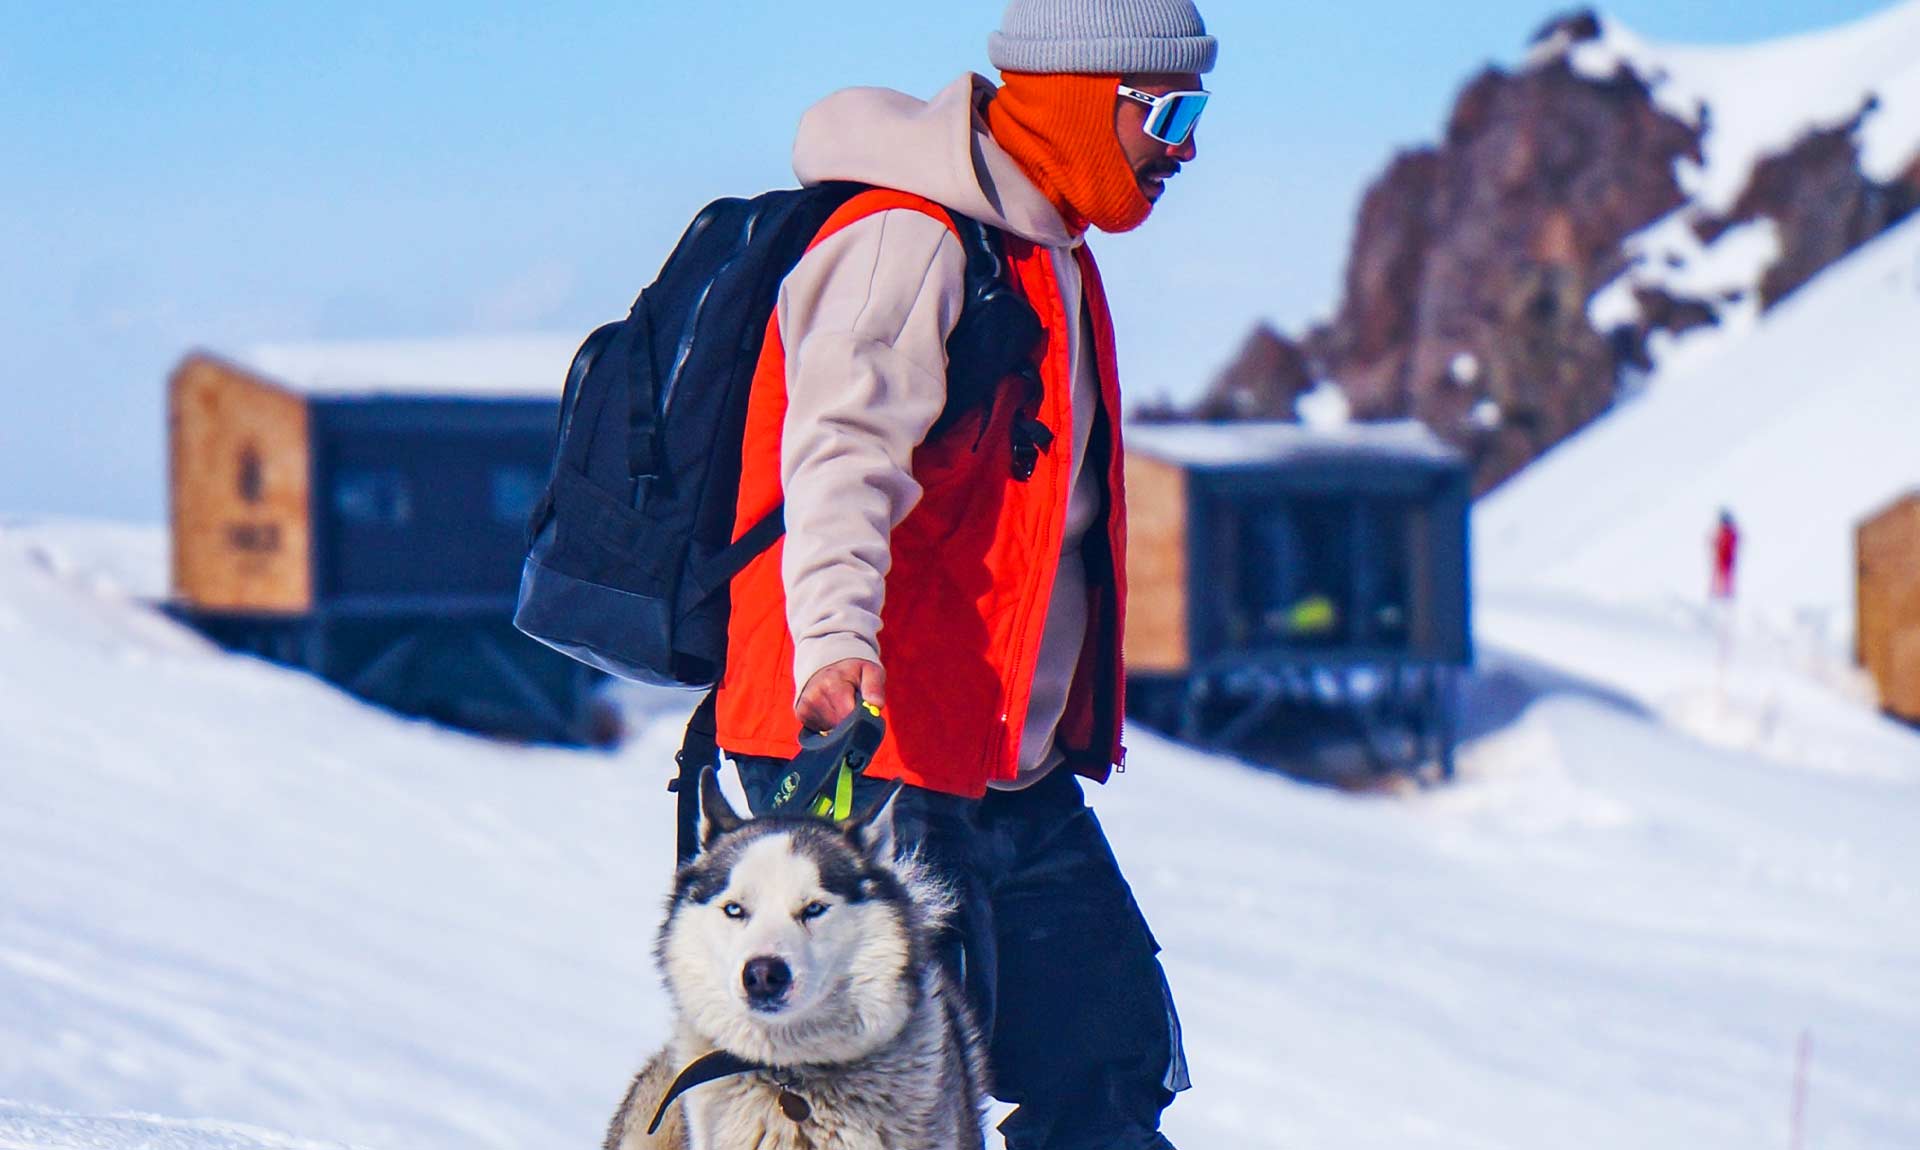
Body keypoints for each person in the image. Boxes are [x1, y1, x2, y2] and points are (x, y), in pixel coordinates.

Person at [714, 3, 1215, 1147]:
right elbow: (837, 459)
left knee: (1106, 1060)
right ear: (1084, 97)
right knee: (882, 1111)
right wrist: (833, 645)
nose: (1186, 147)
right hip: (864, 753)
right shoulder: (912, 240)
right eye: (1169, 111)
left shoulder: (1047, 256)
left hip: (999, 765)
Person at [1711, 508, 1740, 601]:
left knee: (1726, 578)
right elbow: (1715, 544)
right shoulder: (1721, 532)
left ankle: (1725, 595)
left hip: (1727, 560)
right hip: (1721, 559)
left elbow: (1732, 545)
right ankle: (1717, 595)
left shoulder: (1730, 533)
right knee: (1719, 577)